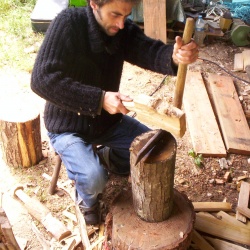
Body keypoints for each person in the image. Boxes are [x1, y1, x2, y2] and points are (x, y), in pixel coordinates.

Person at [31, 0, 198, 225]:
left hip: (107, 122)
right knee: (94, 178)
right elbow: (42, 79)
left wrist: (174, 56)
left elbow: (148, 50)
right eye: (115, 15)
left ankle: (111, 158)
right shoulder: (68, 24)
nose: (121, 24)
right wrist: (99, 99)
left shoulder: (122, 30)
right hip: (67, 126)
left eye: (126, 16)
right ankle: (87, 198)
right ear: (94, 4)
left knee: (153, 148)